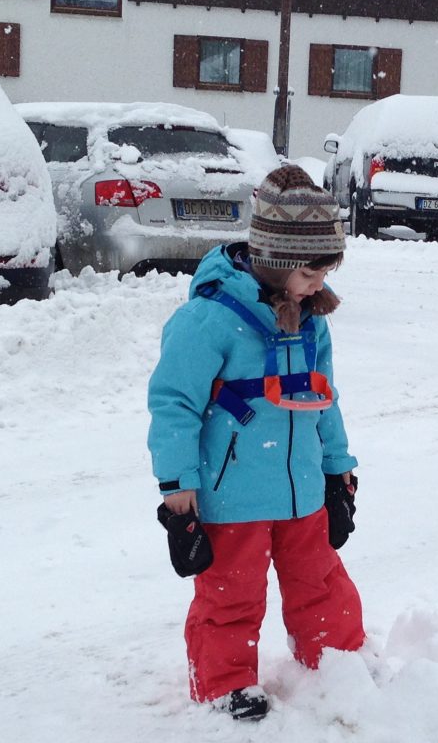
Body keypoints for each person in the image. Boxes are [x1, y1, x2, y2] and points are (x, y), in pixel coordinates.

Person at [147, 165, 364, 722]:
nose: (320, 284)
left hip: (303, 492)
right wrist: (178, 490)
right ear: (277, 260)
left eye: (326, 271)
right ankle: (223, 686)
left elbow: (325, 399)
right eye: (313, 271)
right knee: (230, 598)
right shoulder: (209, 320)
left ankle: (336, 664)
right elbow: (174, 404)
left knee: (321, 583)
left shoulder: (312, 322)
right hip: (232, 497)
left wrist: (338, 472)